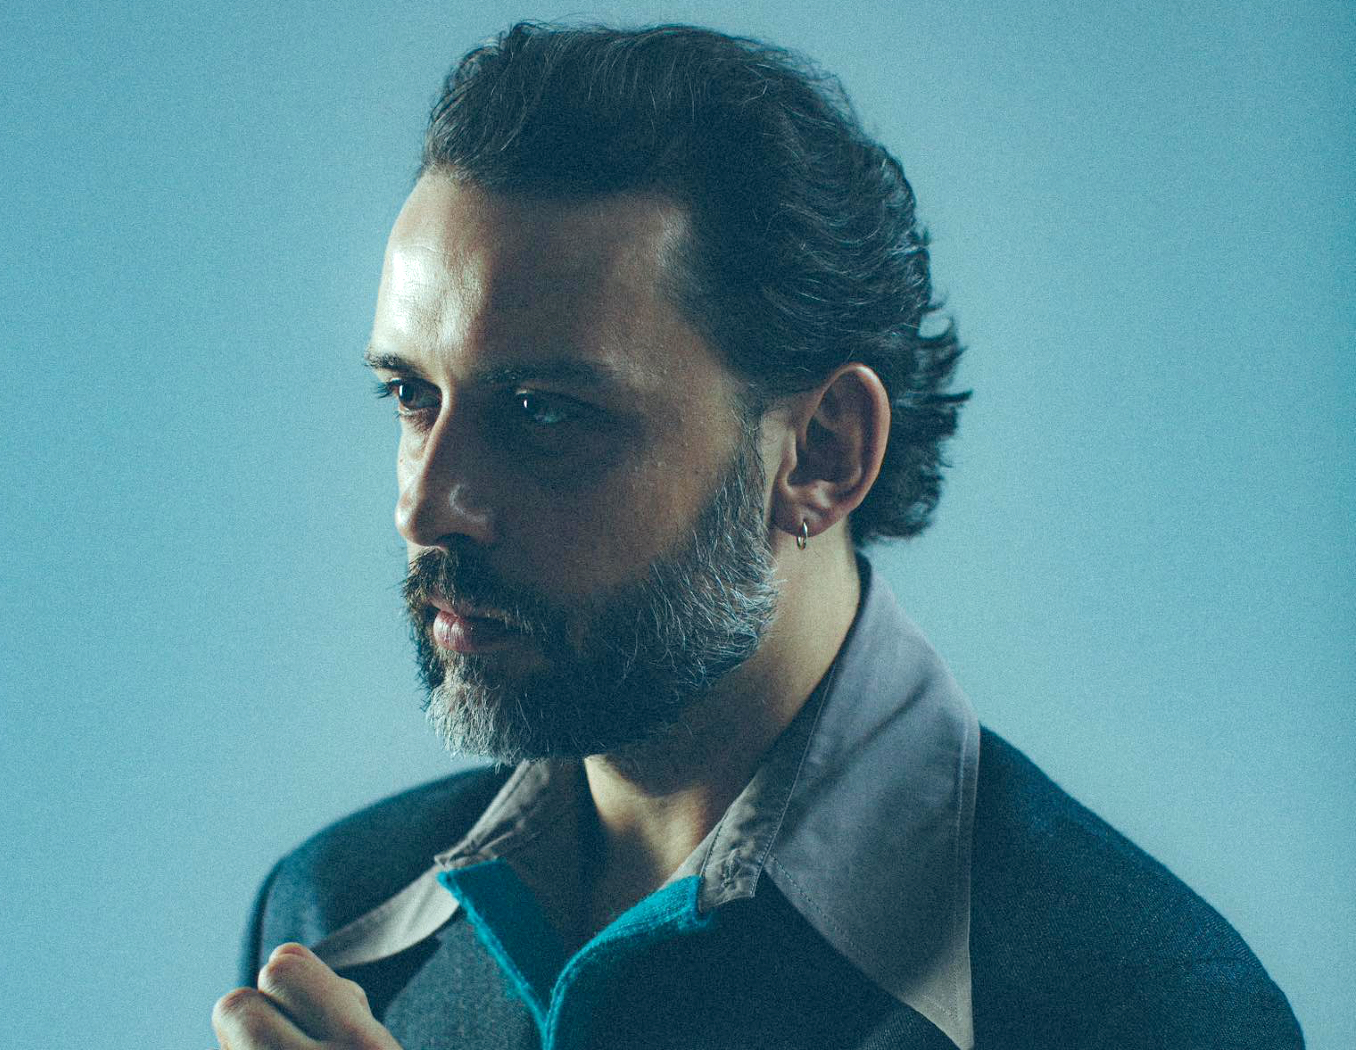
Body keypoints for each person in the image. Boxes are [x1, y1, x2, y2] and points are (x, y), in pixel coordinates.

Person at [212, 22, 1303, 1050]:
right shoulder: (335, 918)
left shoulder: (1139, 1008)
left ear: (822, 451)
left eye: (544, 412)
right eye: (412, 397)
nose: (428, 508)